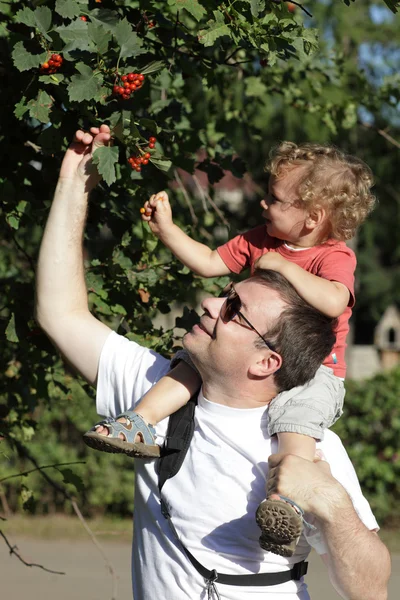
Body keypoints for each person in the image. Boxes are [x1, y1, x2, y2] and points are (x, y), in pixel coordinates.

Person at [36, 125, 390, 600]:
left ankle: (281, 502)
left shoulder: (320, 445)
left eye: (233, 310)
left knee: (297, 443)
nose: (208, 303)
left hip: (318, 376)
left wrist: (329, 502)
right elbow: (60, 312)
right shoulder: (156, 382)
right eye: (227, 297)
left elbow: (371, 590)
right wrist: (72, 183)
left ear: (268, 361)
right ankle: (135, 426)